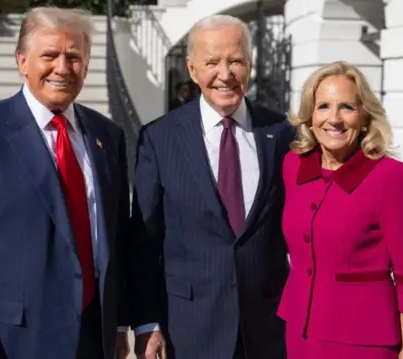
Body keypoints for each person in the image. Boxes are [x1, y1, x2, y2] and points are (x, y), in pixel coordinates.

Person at [0, 7, 130, 359]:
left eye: (74, 57)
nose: (62, 68)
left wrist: (121, 323)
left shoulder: (107, 136)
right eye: (49, 55)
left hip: (92, 339)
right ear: (22, 61)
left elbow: (118, 237)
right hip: (8, 343)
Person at [127, 14, 294, 359]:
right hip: (188, 330)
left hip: (268, 329)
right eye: (212, 62)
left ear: (249, 64)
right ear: (192, 69)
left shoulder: (280, 133)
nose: (225, 73)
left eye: (235, 61)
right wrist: (146, 323)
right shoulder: (160, 138)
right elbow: (144, 243)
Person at [279, 61, 403, 359]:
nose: (334, 119)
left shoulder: (392, 178)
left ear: (364, 118)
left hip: (363, 342)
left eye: (347, 107)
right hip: (299, 335)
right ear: (310, 116)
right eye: (323, 106)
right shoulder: (293, 166)